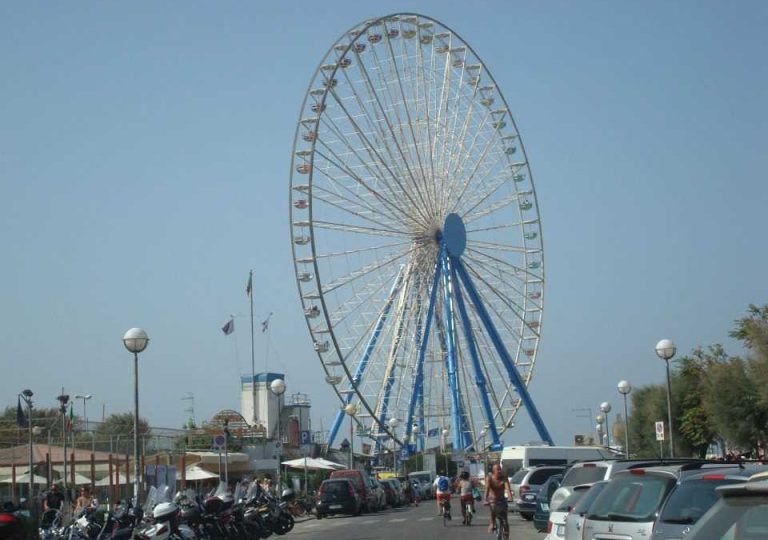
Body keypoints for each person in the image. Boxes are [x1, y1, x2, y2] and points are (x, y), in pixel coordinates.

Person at [484, 463, 511, 539]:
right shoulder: (489, 478)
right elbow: (487, 489)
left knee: (505, 520)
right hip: (493, 500)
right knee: (492, 508)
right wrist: (485, 499)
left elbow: (508, 489)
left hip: (502, 500)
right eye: (497, 469)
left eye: (500, 469)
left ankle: (506, 535)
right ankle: (492, 523)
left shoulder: (504, 478)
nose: (499, 471)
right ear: (493, 471)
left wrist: (510, 497)